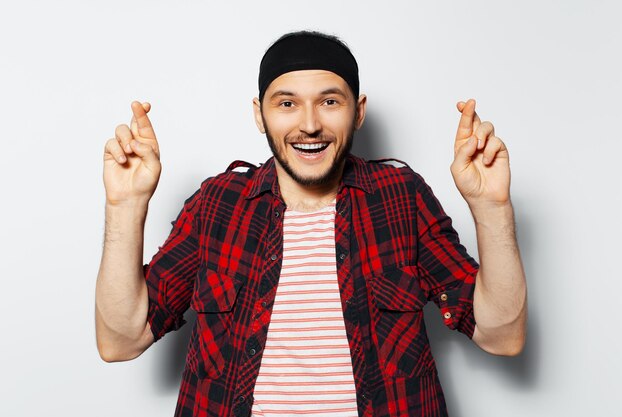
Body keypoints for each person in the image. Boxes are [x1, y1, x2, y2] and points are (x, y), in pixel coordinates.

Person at [95, 30, 527, 417]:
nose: (309, 124)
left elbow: (501, 336)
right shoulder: (217, 205)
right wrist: (126, 205)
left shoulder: (402, 198)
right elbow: (121, 340)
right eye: (287, 103)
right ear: (259, 114)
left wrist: (491, 207)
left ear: (357, 112)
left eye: (329, 101)